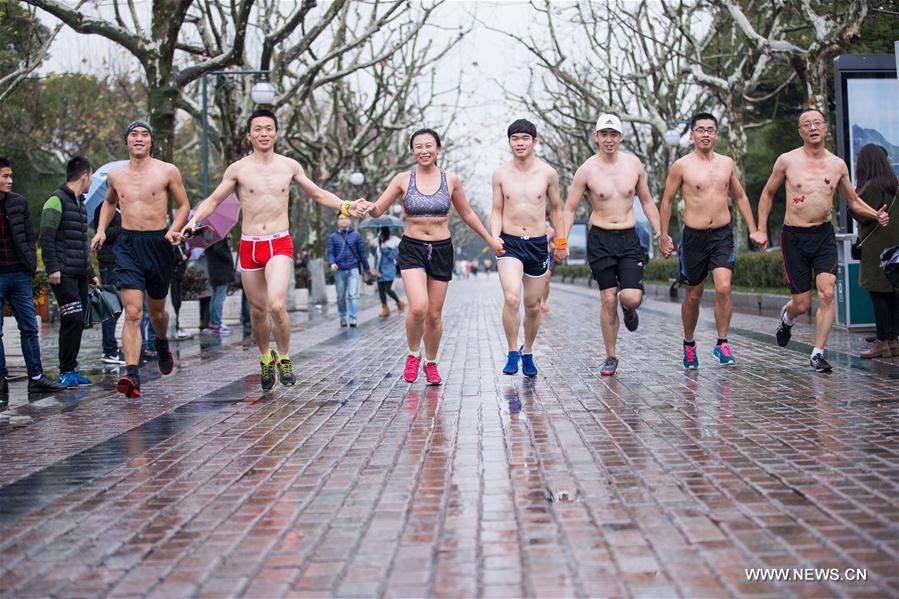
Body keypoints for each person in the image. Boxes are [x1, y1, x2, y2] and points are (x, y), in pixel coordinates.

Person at [183, 109, 365, 391]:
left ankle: (284, 357)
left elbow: (317, 193)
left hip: (279, 242)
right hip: (250, 244)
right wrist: (193, 221)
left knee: (277, 305)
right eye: (258, 129)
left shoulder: (289, 166)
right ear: (249, 135)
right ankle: (265, 357)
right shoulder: (238, 169)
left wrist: (345, 205)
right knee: (257, 311)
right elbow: (214, 199)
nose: (263, 133)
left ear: (276, 133)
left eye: (269, 128)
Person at [362, 127, 504, 385]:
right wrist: (366, 206)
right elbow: (378, 209)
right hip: (412, 248)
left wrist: (490, 239)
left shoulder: (451, 180)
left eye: (429, 146)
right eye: (418, 146)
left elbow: (468, 214)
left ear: (438, 149)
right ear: (412, 150)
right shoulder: (402, 179)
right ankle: (413, 354)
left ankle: (431, 362)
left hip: (441, 249)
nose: (424, 150)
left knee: (434, 315)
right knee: (418, 307)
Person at [757, 108, 889, 372]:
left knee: (828, 293)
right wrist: (761, 229)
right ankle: (788, 317)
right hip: (794, 236)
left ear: (825, 127)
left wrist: (875, 214)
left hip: (823, 235)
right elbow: (768, 193)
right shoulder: (787, 160)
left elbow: (852, 200)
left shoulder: (837, 164)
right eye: (807, 124)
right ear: (800, 132)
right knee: (802, 304)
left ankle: (817, 354)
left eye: (817, 122)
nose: (813, 127)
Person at [557, 113, 662, 376]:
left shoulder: (633, 165)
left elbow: (647, 201)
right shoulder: (586, 170)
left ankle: (629, 309)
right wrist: (562, 241)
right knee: (607, 299)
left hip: (628, 238)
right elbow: (569, 209)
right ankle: (611, 356)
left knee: (631, 297)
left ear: (621, 137)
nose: (608, 139)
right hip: (600, 239)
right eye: (604, 134)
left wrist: (661, 233)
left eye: (613, 134)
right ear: (596, 137)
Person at [91, 120, 190, 397]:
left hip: (159, 243)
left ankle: (160, 342)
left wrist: (175, 230)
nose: (138, 138)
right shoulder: (115, 175)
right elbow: (110, 202)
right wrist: (100, 230)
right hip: (128, 245)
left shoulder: (167, 171)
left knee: (157, 311)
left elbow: (184, 205)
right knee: (133, 312)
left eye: (144, 134)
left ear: (151, 142)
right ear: (126, 142)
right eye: (133, 134)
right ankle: (131, 376)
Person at [659, 112, 765, 369]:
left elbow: (739, 197)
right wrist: (663, 235)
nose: (705, 134)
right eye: (700, 129)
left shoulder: (727, 163)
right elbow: (667, 201)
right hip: (693, 237)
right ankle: (689, 344)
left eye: (710, 130)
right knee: (693, 295)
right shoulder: (681, 166)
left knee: (724, 287)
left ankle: (722, 343)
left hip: (721, 234)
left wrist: (755, 229)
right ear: (692, 134)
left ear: (716, 134)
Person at [490, 119, 565, 377]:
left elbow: (556, 209)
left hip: (537, 244)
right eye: (515, 138)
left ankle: (528, 351)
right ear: (509, 142)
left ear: (535, 141)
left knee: (533, 306)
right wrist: (494, 236)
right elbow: (497, 209)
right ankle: (512, 351)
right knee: (512, 297)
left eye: (525, 138)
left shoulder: (548, 173)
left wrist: (561, 242)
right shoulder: (500, 174)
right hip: (509, 243)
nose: (520, 143)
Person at [0, 157, 67, 401]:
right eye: (5, 176)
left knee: (29, 327)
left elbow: (29, 236)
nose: (10, 181)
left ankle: (37, 379)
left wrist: (29, 263)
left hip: (19, 273)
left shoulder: (18, 203)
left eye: (11, 176)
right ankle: (1, 381)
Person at [39, 156, 101, 388]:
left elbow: (79, 244)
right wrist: (52, 267)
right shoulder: (55, 201)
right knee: (72, 318)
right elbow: (46, 238)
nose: (91, 180)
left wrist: (90, 272)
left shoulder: (81, 205)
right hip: (62, 274)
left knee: (77, 322)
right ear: (84, 175)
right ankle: (65, 371)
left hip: (79, 273)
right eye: (91, 176)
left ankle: (71, 370)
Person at [852, 144, 898, 358]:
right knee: (892, 295)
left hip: (876, 251)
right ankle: (893, 340)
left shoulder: (871, 187)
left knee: (878, 295)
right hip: (895, 250)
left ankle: (881, 341)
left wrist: (852, 198)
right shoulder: (895, 185)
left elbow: (860, 214)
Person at [92, 205, 126, 362]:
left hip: (118, 263)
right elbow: (103, 232)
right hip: (109, 263)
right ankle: (109, 350)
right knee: (111, 308)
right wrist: (123, 225)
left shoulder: (120, 209)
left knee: (117, 308)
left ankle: (110, 347)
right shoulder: (104, 209)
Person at [327, 213, 372, 327]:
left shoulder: (356, 235)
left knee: (352, 295)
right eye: (341, 218)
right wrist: (332, 263)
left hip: (353, 269)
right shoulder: (333, 237)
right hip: (339, 270)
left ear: (350, 220)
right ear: (337, 221)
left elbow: (362, 253)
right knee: (340, 296)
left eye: (346, 218)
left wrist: (367, 269)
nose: (343, 220)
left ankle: (353, 318)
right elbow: (331, 253)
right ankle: (342, 317)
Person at [206, 235, 235, 335]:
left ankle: (214, 323)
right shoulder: (218, 237)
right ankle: (217, 324)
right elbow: (219, 250)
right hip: (221, 271)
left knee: (214, 297)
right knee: (219, 298)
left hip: (213, 270)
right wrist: (229, 258)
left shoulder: (209, 235)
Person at [374, 227, 404, 318]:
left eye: (382, 234)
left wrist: (386, 249)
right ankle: (385, 309)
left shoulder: (393, 243)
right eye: (379, 235)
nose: (381, 236)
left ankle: (399, 302)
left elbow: (394, 256)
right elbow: (375, 256)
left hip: (389, 270)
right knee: (381, 290)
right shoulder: (377, 244)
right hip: (379, 271)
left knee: (387, 289)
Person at [170, 243, 190, 339]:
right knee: (174, 302)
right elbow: (171, 258)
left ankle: (177, 325)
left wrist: (187, 255)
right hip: (172, 276)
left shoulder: (182, 244)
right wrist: (180, 257)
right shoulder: (174, 244)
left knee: (178, 302)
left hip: (179, 277)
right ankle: (174, 327)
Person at [541, 223, 555, 313]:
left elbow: (554, 242)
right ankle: (536, 302)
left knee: (547, 279)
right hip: (534, 254)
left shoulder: (550, 228)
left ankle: (544, 302)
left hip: (546, 255)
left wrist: (556, 246)